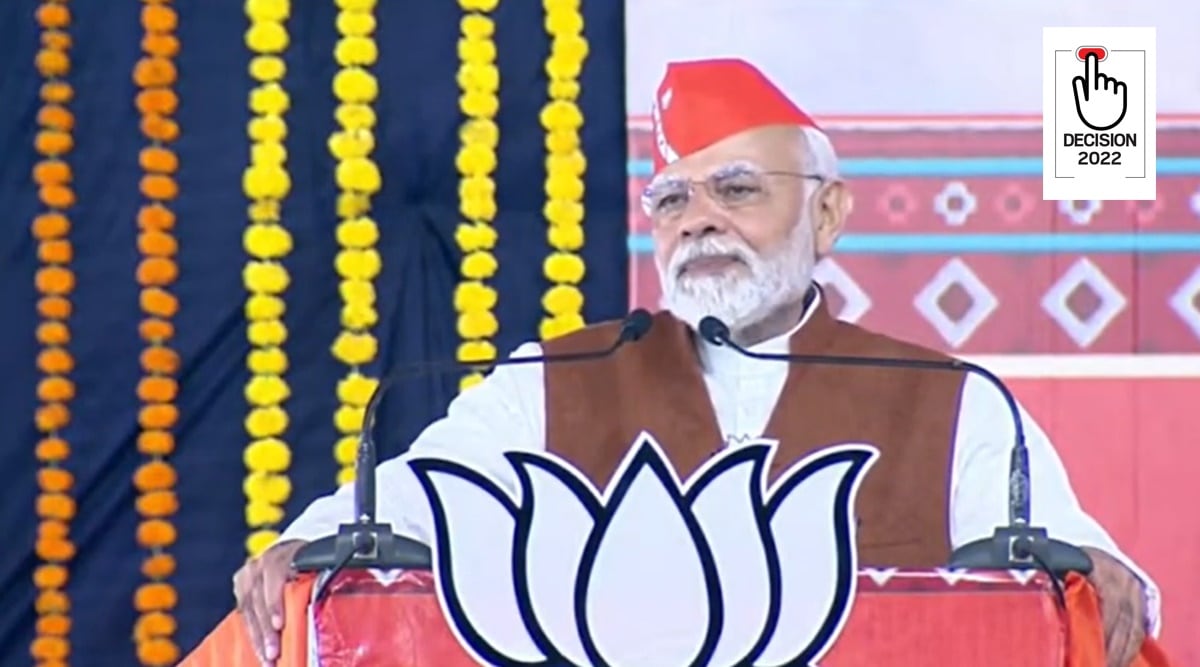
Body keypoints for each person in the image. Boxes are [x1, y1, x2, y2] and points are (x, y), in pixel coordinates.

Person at [233, 57, 1160, 666]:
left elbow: (1095, 580)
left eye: (738, 189)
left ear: (828, 214)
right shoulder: (552, 382)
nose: (698, 219)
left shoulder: (951, 403)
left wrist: (1101, 573)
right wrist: (297, 548)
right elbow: (401, 503)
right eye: (673, 197)